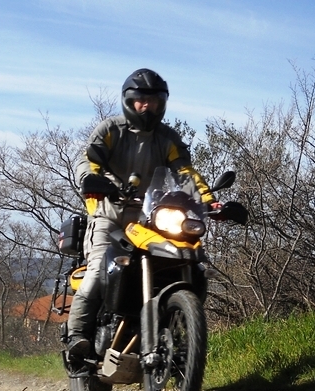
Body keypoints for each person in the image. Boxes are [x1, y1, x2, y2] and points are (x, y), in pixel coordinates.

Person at [66, 68, 219, 358]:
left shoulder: (167, 138)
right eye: (141, 101)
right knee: (99, 269)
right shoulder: (110, 130)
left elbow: (185, 173)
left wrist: (210, 201)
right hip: (109, 213)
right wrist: (92, 181)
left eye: (154, 101)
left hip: (150, 218)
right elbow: (89, 161)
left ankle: (175, 331)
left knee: (187, 261)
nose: (147, 106)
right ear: (129, 101)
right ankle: (78, 337)